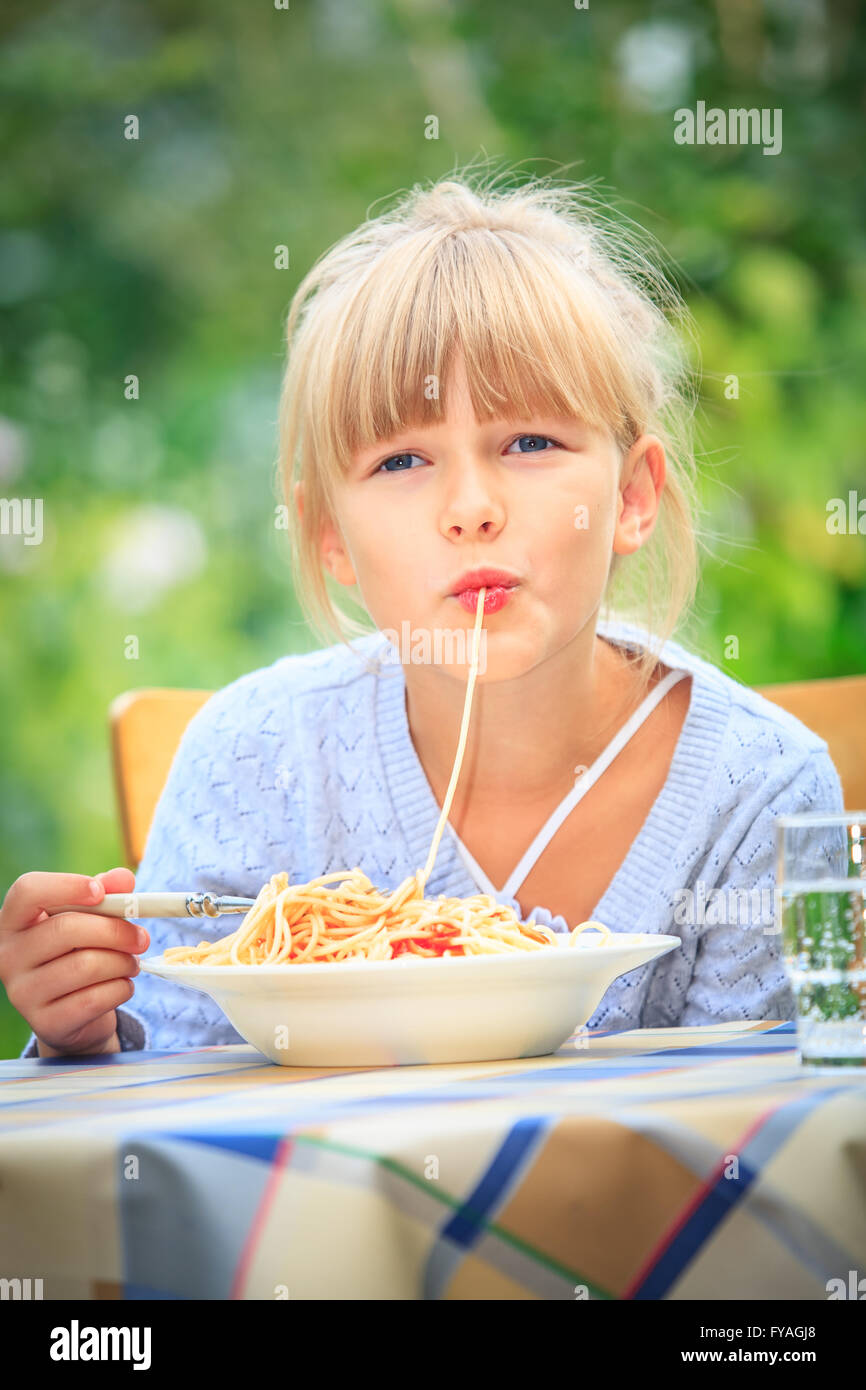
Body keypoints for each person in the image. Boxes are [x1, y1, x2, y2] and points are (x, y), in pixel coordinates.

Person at [0, 168, 843, 1057]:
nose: (470, 506)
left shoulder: (761, 793)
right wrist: (85, 1033)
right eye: (402, 462)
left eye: (529, 443)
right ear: (330, 535)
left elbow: (767, 1138)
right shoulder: (257, 757)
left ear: (631, 497)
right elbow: (178, 1108)